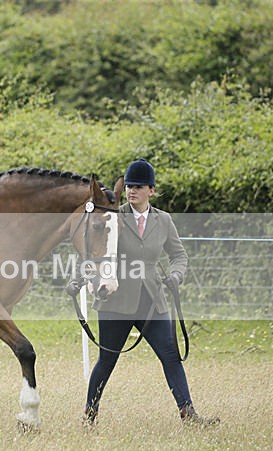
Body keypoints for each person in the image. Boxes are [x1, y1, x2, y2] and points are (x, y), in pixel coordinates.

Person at [83, 158, 219, 427]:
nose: (132, 190)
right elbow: (96, 250)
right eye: (130, 186)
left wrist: (176, 275)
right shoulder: (115, 216)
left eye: (138, 186)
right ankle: (90, 415)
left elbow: (179, 255)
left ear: (151, 190)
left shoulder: (164, 220)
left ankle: (189, 415)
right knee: (107, 360)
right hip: (116, 301)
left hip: (153, 301)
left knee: (170, 356)